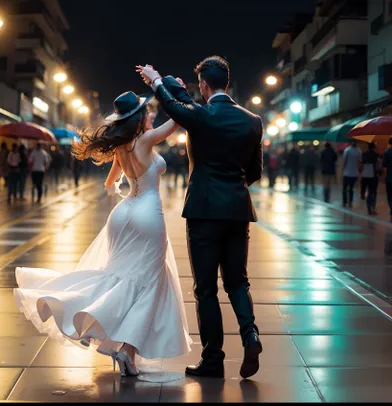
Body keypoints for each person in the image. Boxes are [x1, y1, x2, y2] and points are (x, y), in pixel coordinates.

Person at [14, 90, 191, 378]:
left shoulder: (122, 147)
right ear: (139, 118)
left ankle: (126, 350)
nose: (150, 115)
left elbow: (111, 183)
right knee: (151, 281)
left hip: (122, 214)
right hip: (147, 213)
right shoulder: (145, 141)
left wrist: (122, 193)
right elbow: (176, 122)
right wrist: (171, 89)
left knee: (120, 276)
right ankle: (126, 348)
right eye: (147, 112)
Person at [138, 57, 263, 379]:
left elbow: (173, 105)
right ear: (228, 83)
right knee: (238, 281)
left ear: (203, 86)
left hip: (204, 212)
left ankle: (213, 360)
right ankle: (251, 335)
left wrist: (155, 81)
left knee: (206, 289)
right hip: (237, 210)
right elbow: (256, 172)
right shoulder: (253, 121)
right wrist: (233, 189)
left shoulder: (202, 116)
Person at [360, 142, 380, 215]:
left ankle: (368, 207)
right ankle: (372, 208)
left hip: (365, 175)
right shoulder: (376, 155)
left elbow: (361, 164)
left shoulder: (364, 154)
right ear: (374, 147)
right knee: (373, 192)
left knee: (368, 192)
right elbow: (378, 165)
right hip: (373, 176)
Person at [342, 140, 361, 207]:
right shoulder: (359, 150)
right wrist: (359, 172)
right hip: (354, 173)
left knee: (345, 188)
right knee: (351, 189)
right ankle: (350, 202)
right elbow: (359, 162)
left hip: (347, 173)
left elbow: (344, 161)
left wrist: (343, 170)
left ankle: (345, 202)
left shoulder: (347, 150)